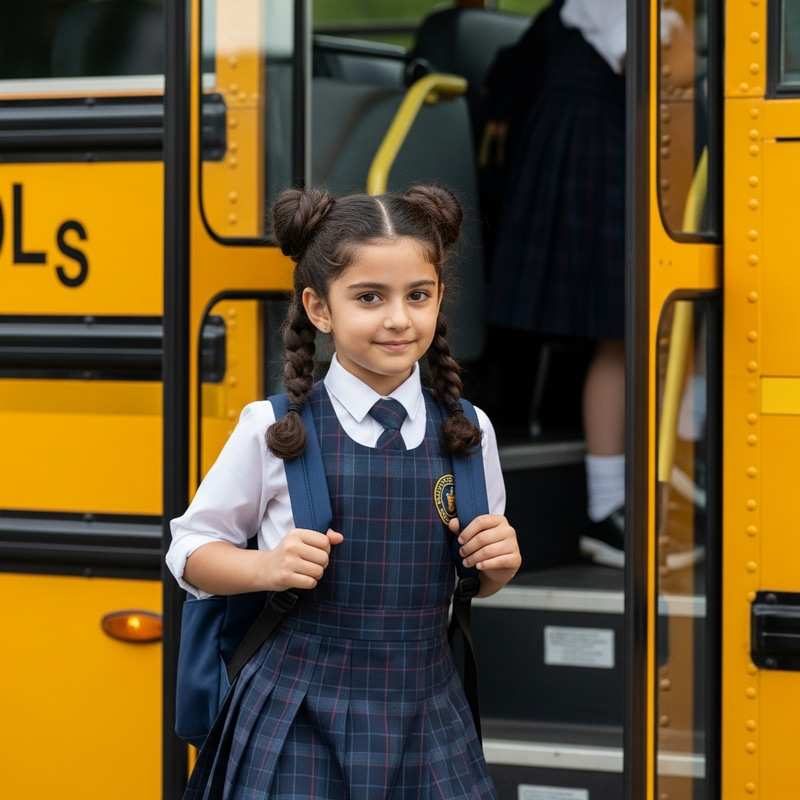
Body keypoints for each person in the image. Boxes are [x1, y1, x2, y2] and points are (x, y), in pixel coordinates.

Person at [166, 184, 521, 799]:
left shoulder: (469, 431)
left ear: (439, 298)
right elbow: (191, 551)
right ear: (319, 308)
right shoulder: (273, 429)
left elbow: (474, 576)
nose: (397, 318)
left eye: (418, 295)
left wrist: (497, 567)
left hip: (428, 709)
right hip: (297, 711)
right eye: (369, 297)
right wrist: (265, 566)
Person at [481, 0, 627, 568]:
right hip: (598, 143)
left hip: (609, 135)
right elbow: (664, 66)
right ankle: (607, 507)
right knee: (619, 327)